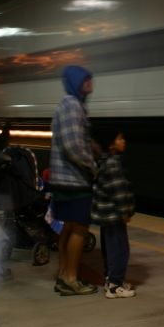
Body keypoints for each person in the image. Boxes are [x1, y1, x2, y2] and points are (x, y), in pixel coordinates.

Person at [49, 65, 98, 296]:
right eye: (86, 80)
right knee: (79, 229)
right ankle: (70, 278)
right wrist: (92, 166)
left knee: (68, 228)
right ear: (76, 83)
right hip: (73, 180)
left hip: (65, 179)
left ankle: (63, 275)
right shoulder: (72, 106)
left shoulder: (71, 106)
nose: (90, 84)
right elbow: (73, 147)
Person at [90, 132, 136, 298]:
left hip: (105, 215)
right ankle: (115, 286)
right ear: (111, 144)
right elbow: (119, 191)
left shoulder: (102, 162)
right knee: (120, 249)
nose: (124, 141)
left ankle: (111, 280)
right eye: (120, 138)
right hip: (114, 215)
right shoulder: (113, 163)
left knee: (110, 248)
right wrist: (125, 212)